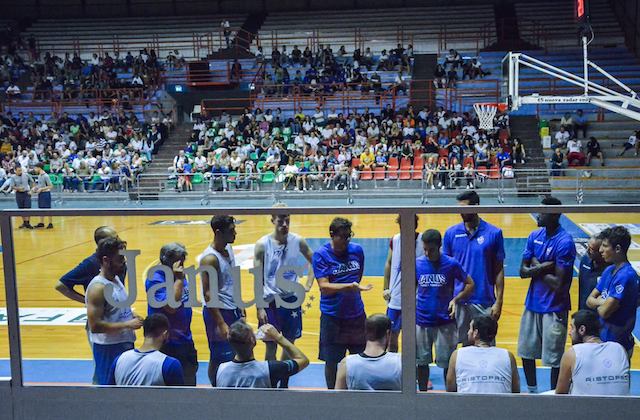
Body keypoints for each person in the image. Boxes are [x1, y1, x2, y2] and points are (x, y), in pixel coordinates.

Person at [518, 196, 576, 393]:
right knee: (526, 352)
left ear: (553, 215)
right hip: (532, 303)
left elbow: (559, 284)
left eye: (541, 211)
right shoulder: (534, 235)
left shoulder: (565, 241)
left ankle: (554, 394)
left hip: (554, 307)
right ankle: (533, 391)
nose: (537, 214)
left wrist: (535, 265)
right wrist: (544, 266)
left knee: (554, 358)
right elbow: (522, 272)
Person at [254, 204, 315, 387]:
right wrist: (259, 306)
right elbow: (258, 277)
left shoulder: (298, 241)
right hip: (270, 301)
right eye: (281, 220)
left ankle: (284, 381)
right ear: (272, 220)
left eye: (287, 219)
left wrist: (309, 283)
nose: (285, 224)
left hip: (290, 301)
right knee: (271, 344)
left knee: (289, 343)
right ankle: (270, 382)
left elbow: (315, 260)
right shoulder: (262, 244)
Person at [312, 217, 373, 389]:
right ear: (332, 235)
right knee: (332, 361)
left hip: (356, 315)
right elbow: (323, 286)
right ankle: (332, 394)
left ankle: (358, 392)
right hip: (332, 317)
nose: (346, 240)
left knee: (360, 359)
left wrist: (352, 286)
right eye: (343, 236)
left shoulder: (357, 251)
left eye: (349, 236)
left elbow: (358, 275)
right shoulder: (321, 255)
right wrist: (348, 286)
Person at [442, 191, 505, 346]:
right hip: (458, 301)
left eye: (465, 207)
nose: (461, 212)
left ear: (476, 206)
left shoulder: (494, 233)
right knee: (456, 349)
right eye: (459, 208)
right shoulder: (451, 233)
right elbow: (446, 270)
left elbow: (498, 270)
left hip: (484, 301)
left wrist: (499, 302)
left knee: (485, 348)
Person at [415, 229, 474, 392]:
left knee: (447, 364)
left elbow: (470, 283)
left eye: (431, 249)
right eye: (424, 249)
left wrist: (455, 299)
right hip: (421, 321)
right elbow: (411, 286)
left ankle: (450, 395)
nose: (427, 253)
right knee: (421, 362)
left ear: (439, 246)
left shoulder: (451, 264)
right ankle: (421, 395)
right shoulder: (417, 263)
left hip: (445, 322)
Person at [86, 237, 143, 385]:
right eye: (120, 258)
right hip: (108, 349)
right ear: (106, 260)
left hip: (124, 344)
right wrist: (128, 325)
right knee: (110, 392)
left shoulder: (115, 280)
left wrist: (131, 315)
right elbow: (95, 326)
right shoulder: (98, 288)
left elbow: (115, 311)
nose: (124, 261)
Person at [197, 215, 245, 386]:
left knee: (234, 352)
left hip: (231, 309)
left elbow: (231, 277)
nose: (235, 233)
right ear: (218, 232)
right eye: (232, 231)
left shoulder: (228, 248)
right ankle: (216, 388)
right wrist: (221, 323)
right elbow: (208, 294)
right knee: (218, 356)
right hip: (218, 313)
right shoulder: (210, 258)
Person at [145, 243, 198, 386]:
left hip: (185, 339)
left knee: (189, 386)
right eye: (180, 261)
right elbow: (171, 307)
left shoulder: (177, 274)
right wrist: (180, 279)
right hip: (168, 344)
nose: (182, 264)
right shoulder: (155, 279)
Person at [586, 226, 640, 358]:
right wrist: (603, 301)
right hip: (603, 340)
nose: (600, 250)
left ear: (617, 249)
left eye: (605, 246)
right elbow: (588, 300)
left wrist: (598, 303)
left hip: (618, 346)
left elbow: (604, 312)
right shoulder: (609, 270)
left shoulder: (626, 276)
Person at [555, 310, 630, 395]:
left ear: (582, 329)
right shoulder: (619, 349)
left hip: (586, 407)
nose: (569, 333)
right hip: (623, 407)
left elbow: (560, 395)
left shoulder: (573, 353)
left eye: (572, 328)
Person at [216, 320, 309, 388]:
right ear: (253, 341)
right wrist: (278, 337)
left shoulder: (220, 370)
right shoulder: (270, 369)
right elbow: (303, 360)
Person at [446, 315, 519, 393]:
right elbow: (515, 391)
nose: (468, 332)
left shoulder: (457, 355)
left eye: (470, 329)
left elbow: (450, 390)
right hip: (501, 404)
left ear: (475, 333)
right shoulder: (507, 356)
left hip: (467, 404)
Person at [107, 313, 185, 386]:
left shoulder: (119, 360)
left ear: (144, 332)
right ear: (165, 334)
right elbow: (179, 398)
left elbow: (108, 394)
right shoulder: (170, 365)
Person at [383, 216, 422, 352]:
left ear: (415, 225)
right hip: (396, 297)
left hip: (418, 299)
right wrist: (386, 288)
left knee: (413, 338)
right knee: (391, 337)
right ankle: (393, 368)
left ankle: (413, 369)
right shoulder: (395, 240)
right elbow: (388, 264)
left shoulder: (424, 241)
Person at [55, 226, 124, 304]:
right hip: (102, 313)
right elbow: (60, 286)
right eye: (115, 238)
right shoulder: (90, 263)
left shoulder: (121, 260)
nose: (119, 240)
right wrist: (88, 301)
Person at [335, 314, 401, 390]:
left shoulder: (347, 364)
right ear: (388, 333)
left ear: (365, 332)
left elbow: (337, 399)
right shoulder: (400, 362)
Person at [577, 233, 609, 310]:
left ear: (601, 251)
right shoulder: (585, 260)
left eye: (592, 249)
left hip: (599, 315)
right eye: (588, 247)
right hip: (583, 311)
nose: (587, 250)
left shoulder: (611, 269)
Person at [32, 163, 53, 228]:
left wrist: (41, 189)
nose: (34, 169)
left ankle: (50, 223)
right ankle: (41, 222)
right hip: (41, 194)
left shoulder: (46, 176)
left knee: (47, 208)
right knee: (40, 208)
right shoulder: (39, 175)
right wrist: (35, 188)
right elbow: (40, 185)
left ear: (39, 168)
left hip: (46, 194)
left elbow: (51, 186)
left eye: (35, 168)